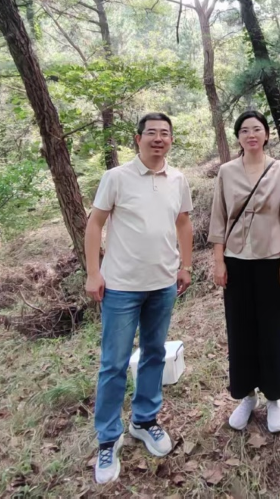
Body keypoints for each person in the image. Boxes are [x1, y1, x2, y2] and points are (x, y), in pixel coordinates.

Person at [85, 112, 194, 485]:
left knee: (153, 354)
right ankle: (108, 438)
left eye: (165, 133)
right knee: (113, 364)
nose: (158, 138)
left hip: (162, 284)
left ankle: (144, 420)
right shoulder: (116, 177)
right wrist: (94, 273)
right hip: (120, 287)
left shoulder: (178, 179)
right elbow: (95, 223)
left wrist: (185, 265)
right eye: (151, 133)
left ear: (171, 140)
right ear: (138, 139)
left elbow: (183, 223)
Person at [208, 110, 280, 434]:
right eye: (244, 130)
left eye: (256, 129)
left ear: (266, 134)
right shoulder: (226, 172)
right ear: (238, 137)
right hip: (236, 260)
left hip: (272, 258)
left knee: (273, 328)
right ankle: (246, 395)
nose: (251, 135)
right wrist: (219, 262)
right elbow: (219, 218)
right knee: (240, 329)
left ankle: (274, 398)